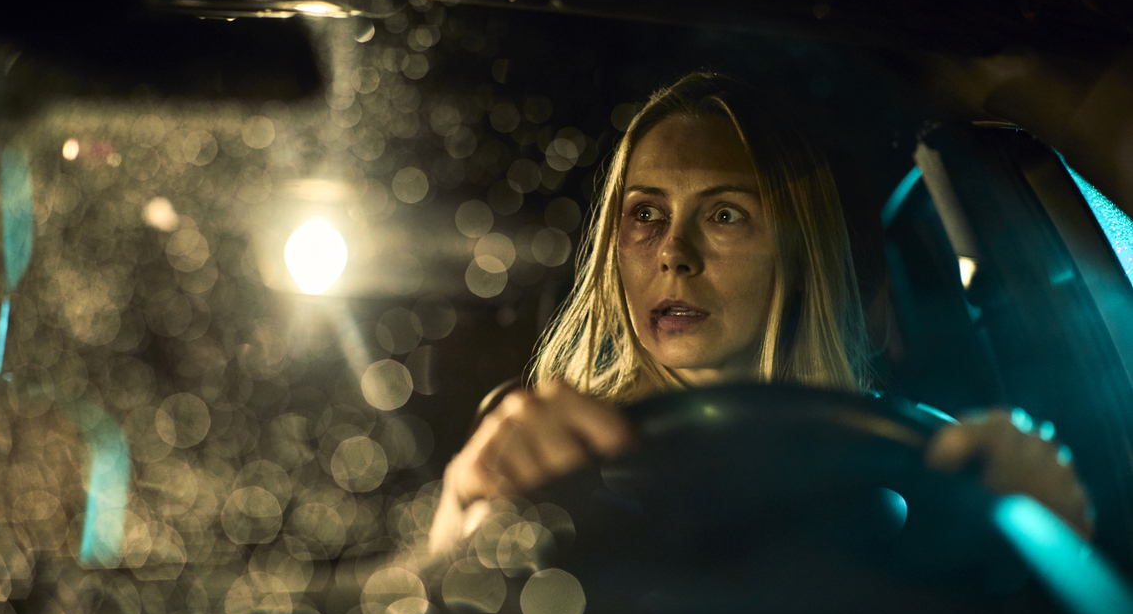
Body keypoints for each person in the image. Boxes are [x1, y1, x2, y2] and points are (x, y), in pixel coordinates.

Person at [429, 71, 1094, 552]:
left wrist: (1052, 535)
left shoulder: (922, 455)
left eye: (724, 215)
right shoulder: (546, 449)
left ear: (803, 248)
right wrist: (457, 519)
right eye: (646, 214)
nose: (673, 254)